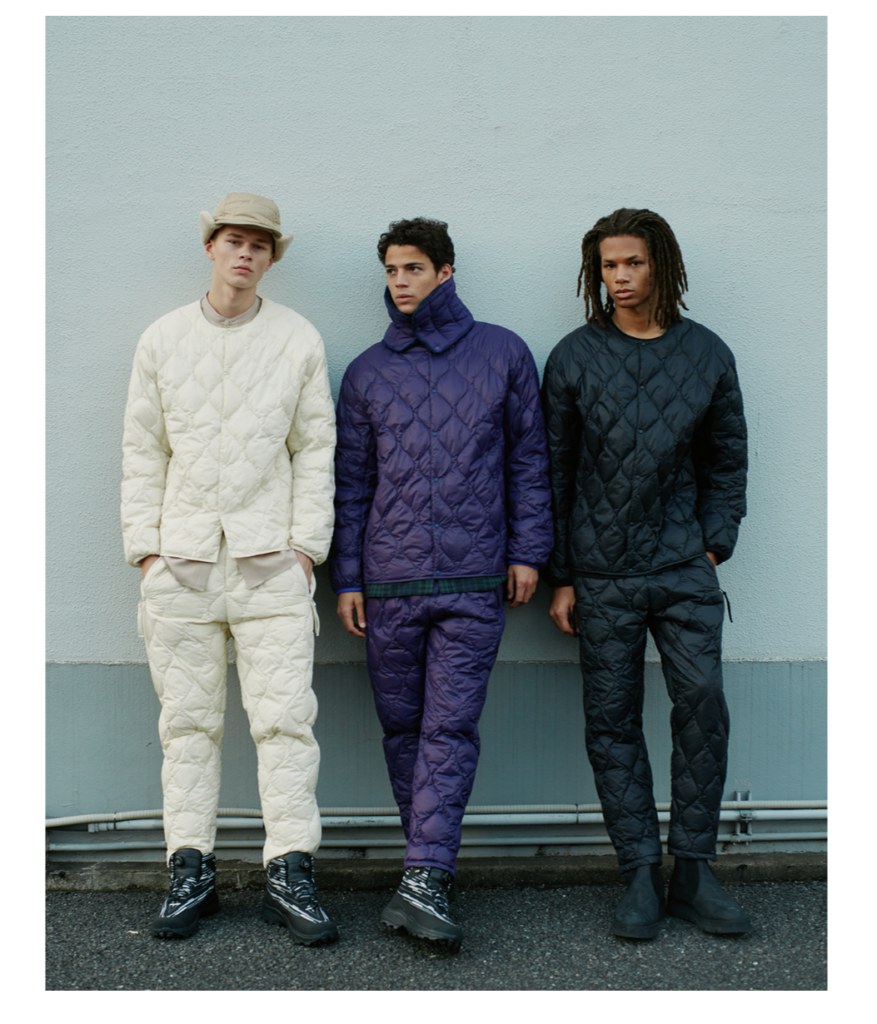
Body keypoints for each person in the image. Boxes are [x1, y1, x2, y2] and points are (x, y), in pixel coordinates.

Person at [121, 192, 338, 945]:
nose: (245, 254)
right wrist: (146, 550)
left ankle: (291, 872)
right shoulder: (162, 338)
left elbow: (316, 449)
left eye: (259, 244)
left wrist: (305, 551)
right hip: (179, 567)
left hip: (270, 565)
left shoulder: (297, 338)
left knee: (285, 724)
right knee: (186, 726)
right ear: (210, 247)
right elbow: (142, 449)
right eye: (234, 240)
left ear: (272, 257)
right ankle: (191, 871)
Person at [331, 217, 552, 950]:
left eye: (414, 269)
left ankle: (426, 875)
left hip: (474, 579)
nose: (400, 282)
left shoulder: (503, 352)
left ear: (445, 272)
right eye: (391, 270)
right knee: (403, 731)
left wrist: (528, 553)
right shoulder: (366, 372)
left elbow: (529, 461)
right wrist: (348, 578)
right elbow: (351, 485)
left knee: (449, 729)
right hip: (387, 587)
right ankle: (425, 875)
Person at [542, 208, 751, 940]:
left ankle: (693, 869)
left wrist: (713, 546)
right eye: (608, 266)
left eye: (632, 262)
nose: (620, 278)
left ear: (661, 263)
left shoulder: (708, 354)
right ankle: (638, 871)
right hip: (601, 575)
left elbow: (727, 461)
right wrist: (563, 575)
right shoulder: (574, 357)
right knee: (612, 719)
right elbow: (554, 471)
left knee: (703, 702)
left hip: (683, 566)